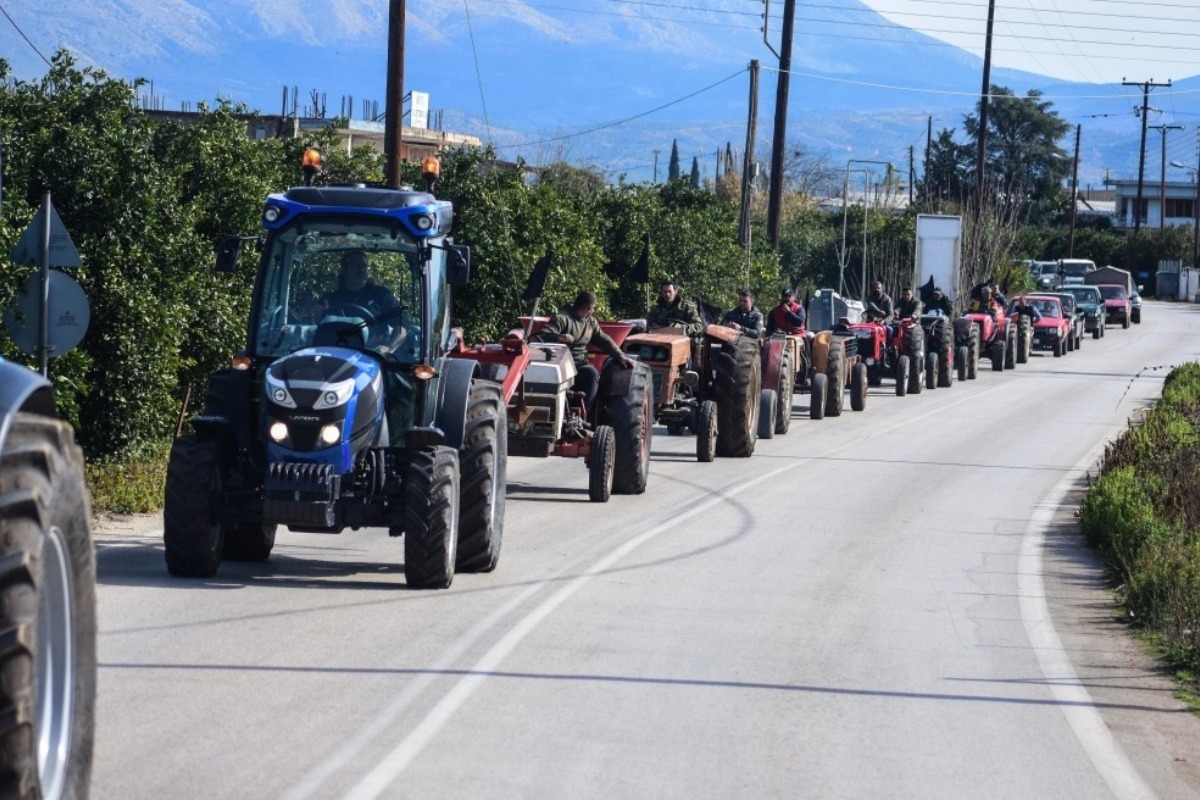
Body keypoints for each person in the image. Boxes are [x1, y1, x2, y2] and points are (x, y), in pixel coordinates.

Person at [536, 291, 633, 416]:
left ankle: (584, 415)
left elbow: (604, 339)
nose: (593, 310)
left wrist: (621, 356)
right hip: (561, 363)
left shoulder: (590, 322)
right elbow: (544, 334)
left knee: (591, 374)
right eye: (594, 308)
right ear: (589, 307)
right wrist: (560, 337)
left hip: (580, 363)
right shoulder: (563, 318)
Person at [320, 251, 409, 352]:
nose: (361, 269)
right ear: (344, 271)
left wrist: (389, 349)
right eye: (355, 265)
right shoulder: (329, 299)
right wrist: (318, 314)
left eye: (364, 266)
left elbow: (402, 325)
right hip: (335, 352)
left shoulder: (382, 295)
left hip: (374, 355)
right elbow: (315, 328)